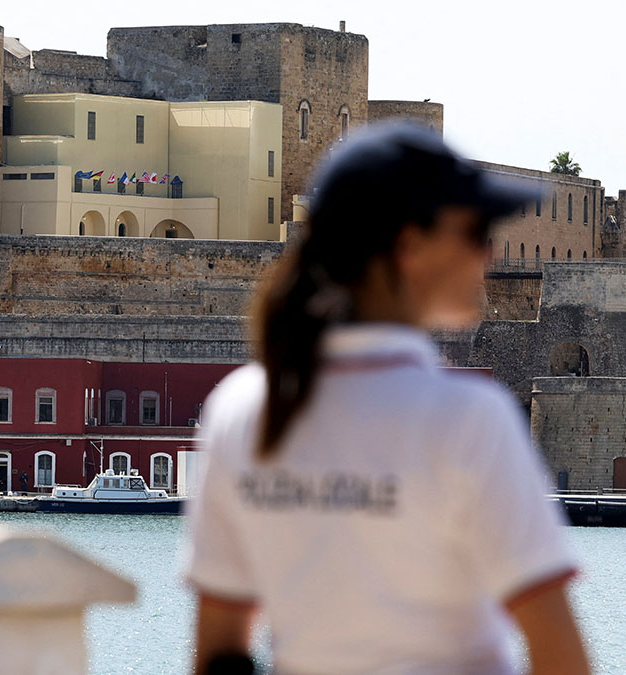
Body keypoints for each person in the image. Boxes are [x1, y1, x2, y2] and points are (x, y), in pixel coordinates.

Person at [186, 125, 589, 675]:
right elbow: (560, 654)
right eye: (477, 231)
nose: (492, 252)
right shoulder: (468, 419)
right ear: (409, 245)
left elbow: (217, 650)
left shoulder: (237, 410)